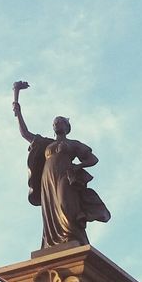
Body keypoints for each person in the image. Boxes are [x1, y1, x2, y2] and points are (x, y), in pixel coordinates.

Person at [13, 83, 111, 249]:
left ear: (67, 127)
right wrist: (18, 109)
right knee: (51, 208)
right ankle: (53, 243)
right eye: (55, 122)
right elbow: (25, 134)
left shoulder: (73, 144)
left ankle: (72, 236)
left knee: (65, 204)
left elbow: (93, 159)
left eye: (61, 122)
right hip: (47, 177)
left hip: (65, 175)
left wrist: (78, 167)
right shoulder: (46, 144)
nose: (57, 124)